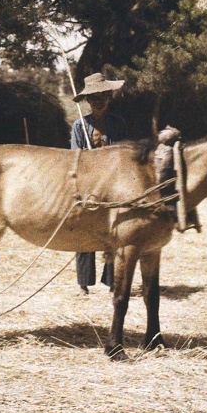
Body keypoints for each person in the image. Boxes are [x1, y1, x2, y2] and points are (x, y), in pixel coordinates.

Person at [70, 72, 129, 294]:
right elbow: (74, 155)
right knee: (85, 229)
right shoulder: (79, 126)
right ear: (87, 101)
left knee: (114, 231)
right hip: (88, 184)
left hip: (114, 183)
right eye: (93, 98)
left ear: (109, 97)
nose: (98, 102)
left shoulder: (118, 123)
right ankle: (84, 283)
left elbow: (124, 152)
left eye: (102, 97)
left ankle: (112, 280)